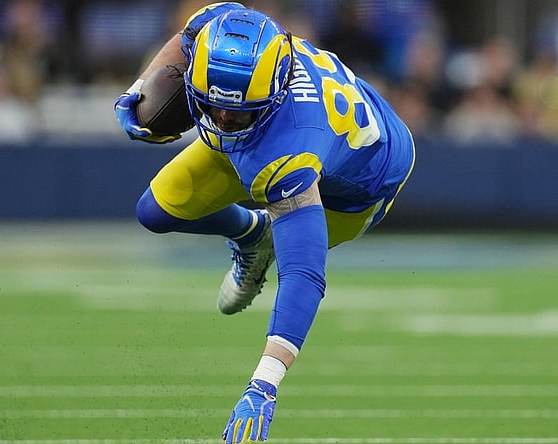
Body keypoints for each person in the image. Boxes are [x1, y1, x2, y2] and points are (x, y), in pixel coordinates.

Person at [114, 2, 415, 443]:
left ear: (270, 93)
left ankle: (265, 235)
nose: (223, 122)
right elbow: (186, 40)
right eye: (213, 107)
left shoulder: (291, 149)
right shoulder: (223, 26)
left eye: (236, 113)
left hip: (361, 186)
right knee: (155, 211)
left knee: (288, 240)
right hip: (282, 132)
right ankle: (250, 233)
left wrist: (264, 386)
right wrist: (138, 89)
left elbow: (304, 276)